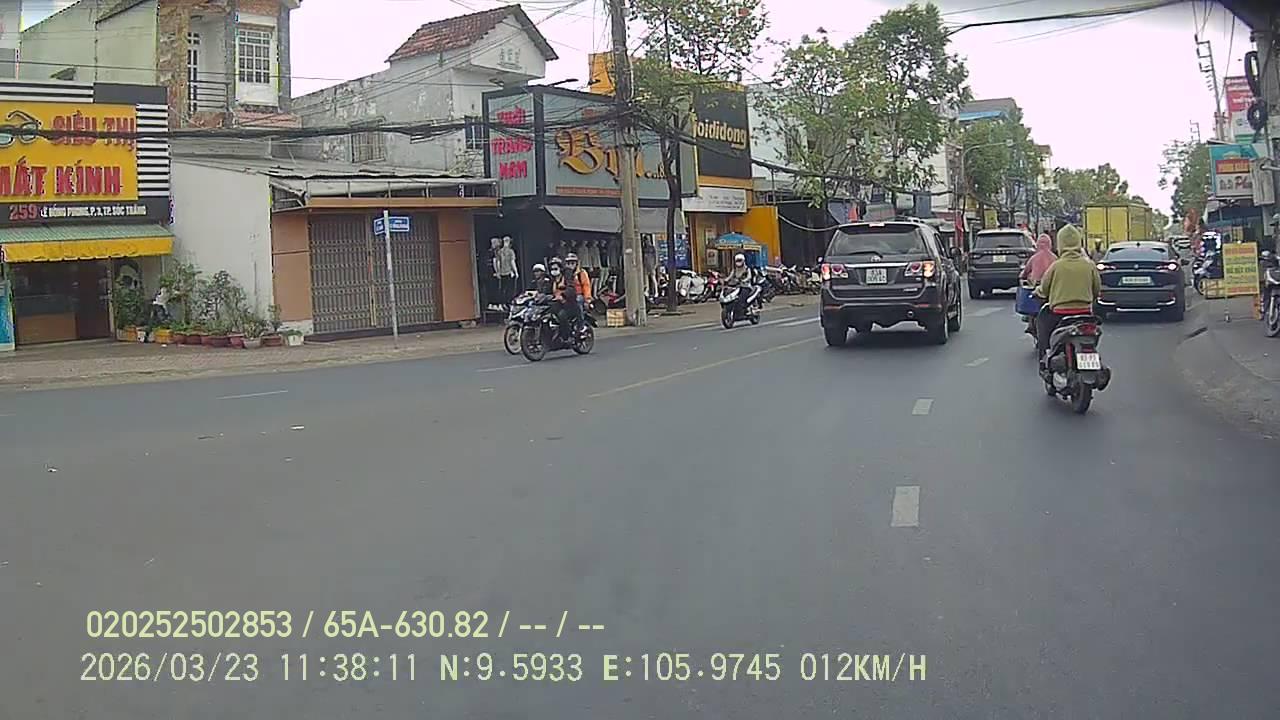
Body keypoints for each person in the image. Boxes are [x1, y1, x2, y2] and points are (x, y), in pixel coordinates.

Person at [1033, 224, 1101, 365]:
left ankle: (1045, 359)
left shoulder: (1056, 266)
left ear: (1060, 243)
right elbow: (1096, 289)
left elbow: (1044, 289)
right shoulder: (1089, 265)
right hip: (1085, 313)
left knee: (1042, 323)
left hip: (1059, 314)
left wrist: (1037, 292)